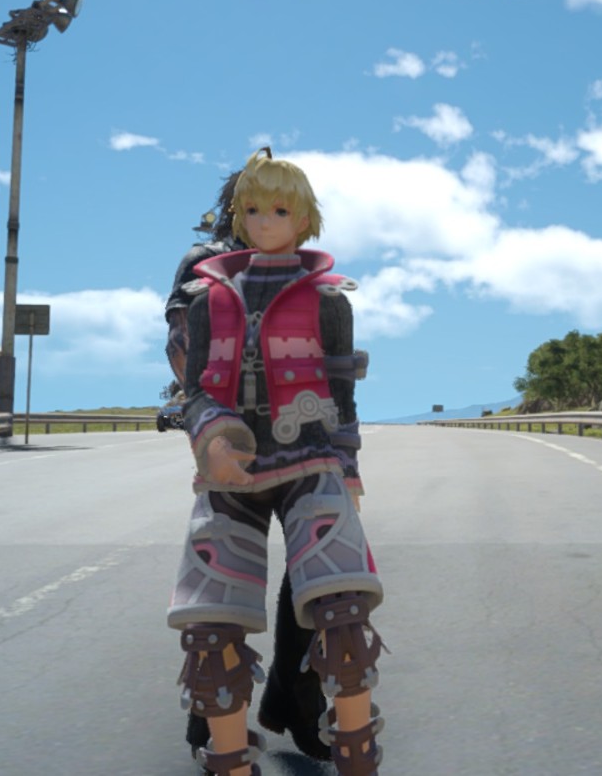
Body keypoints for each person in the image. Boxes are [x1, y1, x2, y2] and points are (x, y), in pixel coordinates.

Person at [170, 148, 382, 776]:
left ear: (303, 216)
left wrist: (346, 465)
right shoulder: (205, 281)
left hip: (306, 454)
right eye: (253, 206)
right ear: (237, 209)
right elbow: (189, 367)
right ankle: (223, 731)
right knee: (214, 620)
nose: (265, 219)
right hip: (230, 457)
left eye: (280, 208)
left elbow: (339, 387)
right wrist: (210, 431)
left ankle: (314, 717)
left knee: (334, 600)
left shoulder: (324, 298)